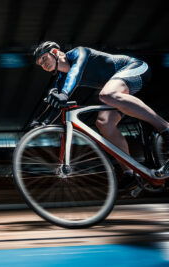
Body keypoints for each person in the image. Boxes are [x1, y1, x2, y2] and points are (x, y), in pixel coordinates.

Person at [32, 41, 169, 188]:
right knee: (104, 123)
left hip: (134, 67)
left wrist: (64, 93)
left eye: (44, 58)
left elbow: (76, 72)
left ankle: (166, 128)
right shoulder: (61, 80)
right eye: (40, 64)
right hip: (119, 85)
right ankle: (130, 173)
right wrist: (42, 123)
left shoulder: (79, 52)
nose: (43, 65)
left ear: (55, 52)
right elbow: (57, 105)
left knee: (106, 94)